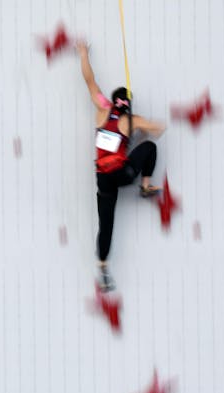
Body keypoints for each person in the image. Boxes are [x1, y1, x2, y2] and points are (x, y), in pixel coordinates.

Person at [76, 41, 166, 291]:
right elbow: (159, 129)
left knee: (106, 225)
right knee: (150, 149)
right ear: (128, 103)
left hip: (103, 177)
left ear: (112, 100)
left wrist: (83, 53)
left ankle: (103, 267)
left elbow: (89, 80)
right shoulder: (131, 119)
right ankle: (145, 187)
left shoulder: (103, 111)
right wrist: (139, 132)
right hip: (123, 174)